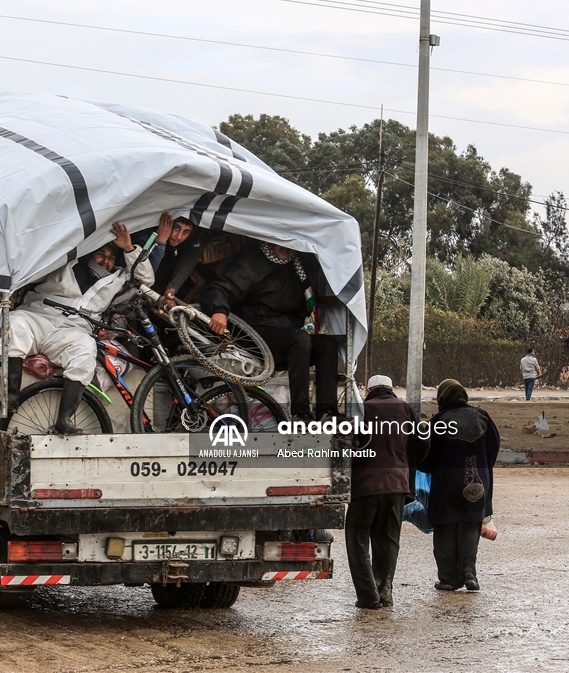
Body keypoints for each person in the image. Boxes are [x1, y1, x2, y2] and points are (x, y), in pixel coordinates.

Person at [6, 222, 154, 434]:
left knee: (85, 350)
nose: (106, 261)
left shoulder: (118, 279)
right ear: (89, 252)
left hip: (73, 331)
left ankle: (64, 420)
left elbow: (147, 280)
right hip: (39, 317)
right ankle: (11, 397)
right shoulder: (66, 261)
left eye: (111, 257)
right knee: (15, 322)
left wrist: (129, 248)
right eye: (100, 254)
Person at [200, 240, 338, 421]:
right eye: (281, 240)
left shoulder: (299, 265)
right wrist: (219, 310)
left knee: (327, 343)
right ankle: (300, 414)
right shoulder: (251, 261)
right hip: (254, 334)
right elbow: (221, 287)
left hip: (289, 337)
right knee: (300, 338)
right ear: (269, 239)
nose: (286, 246)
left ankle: (328, 413)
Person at [346, 375, 429, 609]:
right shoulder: (405, 409)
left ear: (369, 389)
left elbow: (347, 443)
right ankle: (384, 592)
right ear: (391, 389)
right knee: (388, 539)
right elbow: (423, 443)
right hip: (397, 485)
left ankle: (368, 595)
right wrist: (407, 465)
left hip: (366, 485)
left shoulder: (362, 409)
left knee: (357, 538)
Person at [418, 379, 500, 593]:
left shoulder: (439, 421)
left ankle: (448, 579)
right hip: (477, 481)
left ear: (442, 398)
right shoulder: (482, 417)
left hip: (447, 485)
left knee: (445, 529)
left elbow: (426, 456)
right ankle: (469, 573)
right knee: (471, 526)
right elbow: (494, 448)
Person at [132, 211, 201, 297]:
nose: (179, 236)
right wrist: (160, 242)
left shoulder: (182, 248)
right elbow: (142, 271)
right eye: (176, 228)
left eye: (185, 232)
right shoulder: (146, 239)